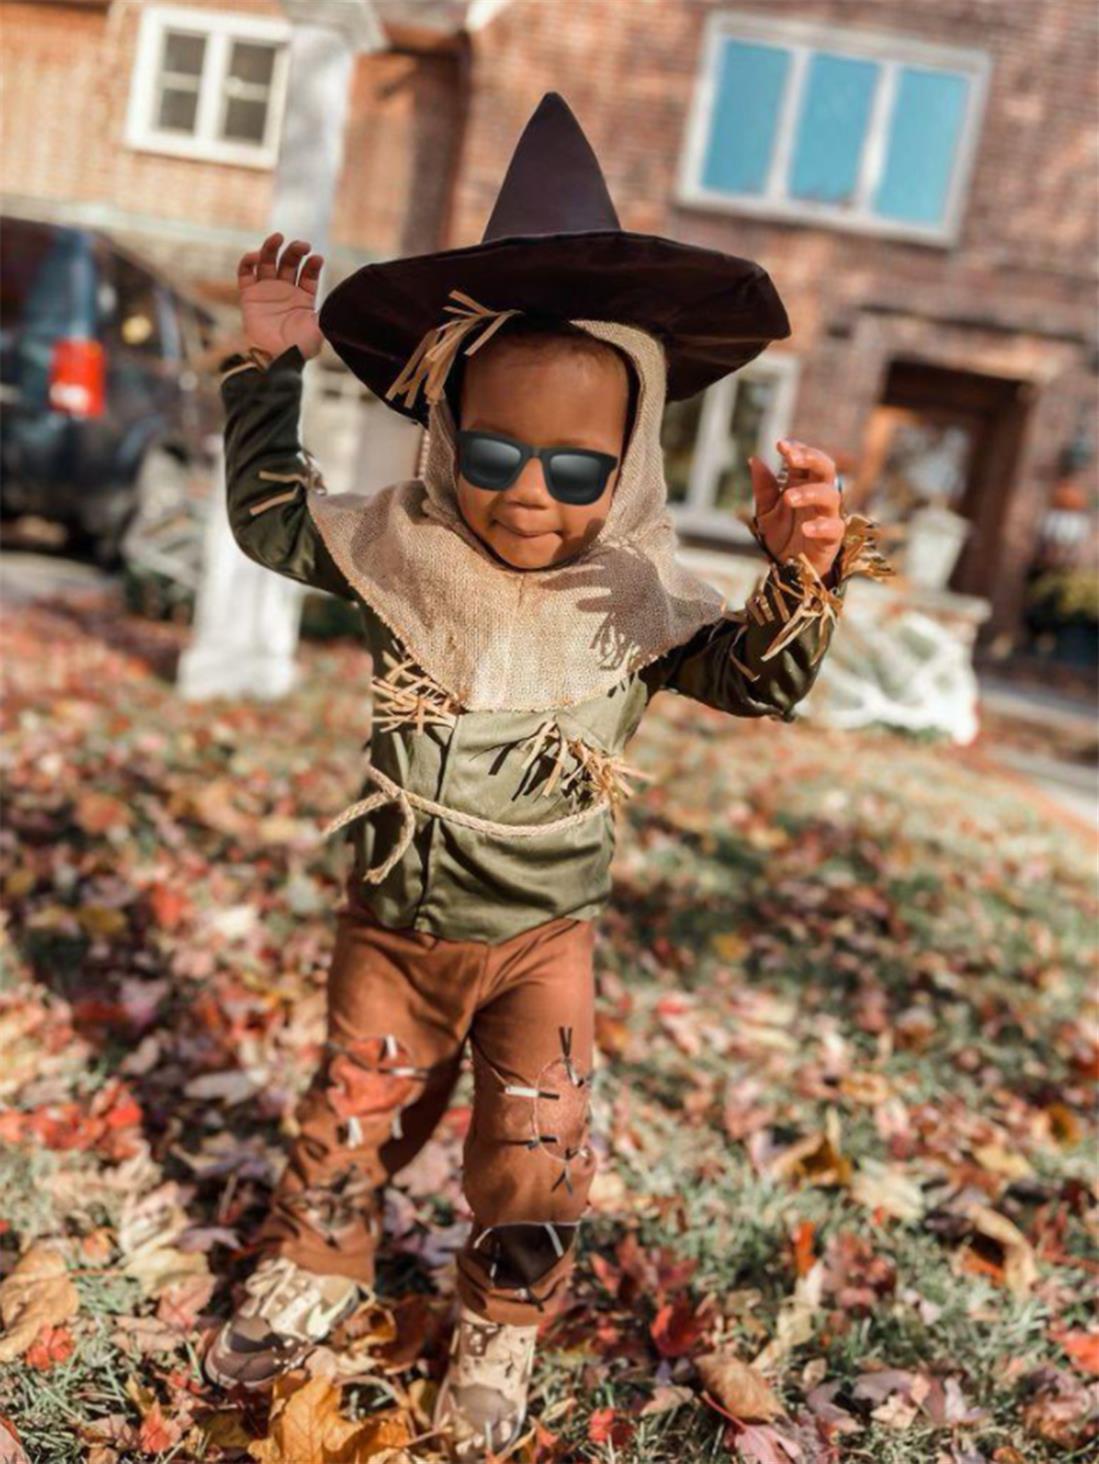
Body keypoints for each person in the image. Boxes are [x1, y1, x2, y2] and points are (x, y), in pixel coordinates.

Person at [203, 93, 891, 1456]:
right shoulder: (402, 556)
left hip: (541, 946)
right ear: (444, 432)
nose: (528, 495)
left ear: (628, 467)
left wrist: (802, 578)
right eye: (495, 455)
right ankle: (317, 1265)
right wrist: (269, 368)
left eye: (577, 469)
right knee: (352, 1106)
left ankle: (502, 1322)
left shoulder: (637, 603)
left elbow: (762, 681)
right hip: (391, 930)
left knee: (540, 1139)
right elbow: (271, 516)